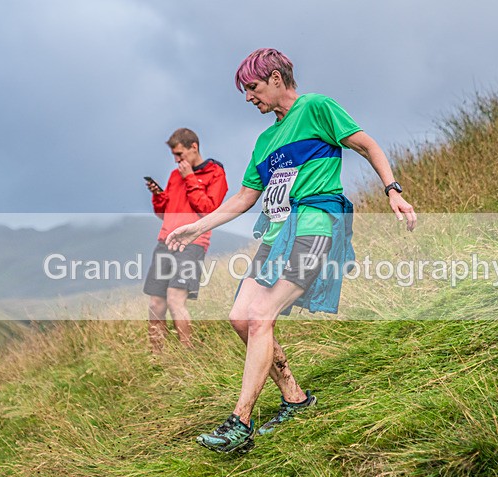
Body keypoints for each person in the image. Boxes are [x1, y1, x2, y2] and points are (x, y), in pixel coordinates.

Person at [166, 49, 416, 453]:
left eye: (253, 87)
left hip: (315, 225)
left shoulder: (316, 108)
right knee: (240, 318)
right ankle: (295, 398)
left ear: (277, 78)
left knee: (261, 317)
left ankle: (240, 421)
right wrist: (198, 225)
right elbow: (243, 198)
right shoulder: (265, 140)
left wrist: (393, 191)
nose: (249, 97)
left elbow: (367, 146)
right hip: (275, 236)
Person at [144, 128, 228, 352]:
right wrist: (157, 195)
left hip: (192, 244)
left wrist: (190, 178)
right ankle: (156, 356)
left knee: (174, 299)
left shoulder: (215, 172)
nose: (177, 160)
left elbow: (209, 210)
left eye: (180, 154)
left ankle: (187, 354)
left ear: (194, 147)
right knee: (155, 303)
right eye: (174, 156)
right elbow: (164, 213)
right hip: (165, 241)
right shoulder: (174, 176)